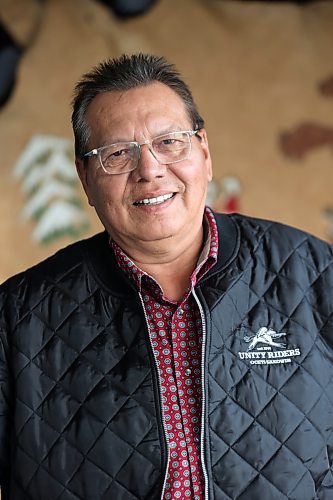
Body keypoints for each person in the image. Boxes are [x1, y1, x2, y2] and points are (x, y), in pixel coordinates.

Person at [0, 53, 332, 500]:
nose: (150, 170)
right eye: (117, 153)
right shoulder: (16, 316)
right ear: (85, 178)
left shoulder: (312, 272)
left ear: (205, 152)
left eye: (170, 141)